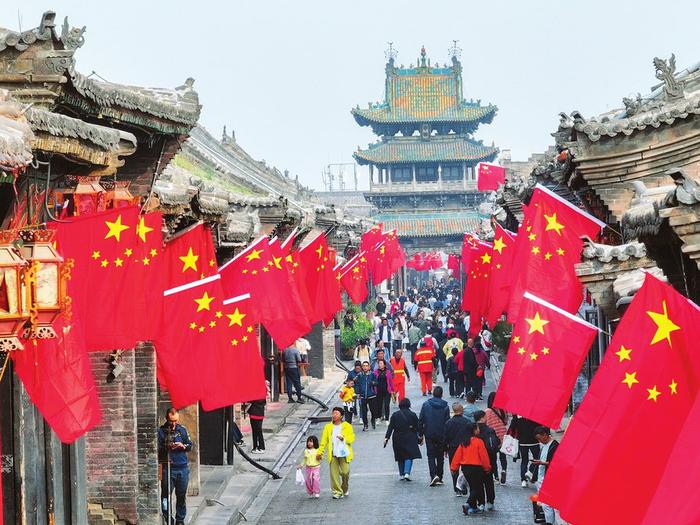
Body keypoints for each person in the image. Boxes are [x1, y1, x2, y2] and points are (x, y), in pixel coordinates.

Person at [158, 408, 193, 525]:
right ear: (166, 419)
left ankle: (180, 519)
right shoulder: (160, 432)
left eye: (175, 421)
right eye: (171, 421)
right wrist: (167, 447)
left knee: (181, 496)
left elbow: (190, 445)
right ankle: (168, 518)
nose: (173, 424)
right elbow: (156, 449)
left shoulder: (182, 430)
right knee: (165, 496)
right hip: (168, 467)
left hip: (182, 468)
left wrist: (183, 446)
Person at [450, 423, 491, 516]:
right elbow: (484, 456)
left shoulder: (464, 442)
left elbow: (457, 456)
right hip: (477, 468)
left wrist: (454, 468)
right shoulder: (479, 441)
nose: (479, 430)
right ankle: (468, 504)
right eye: (477, 428)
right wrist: (487, 467)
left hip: (466, 468)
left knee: (472, 487)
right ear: (474, 430)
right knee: (476, 487)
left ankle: (474, 507)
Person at [317, 407, 355, 499]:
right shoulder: (328, 427)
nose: (334, 415)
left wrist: (344, 438)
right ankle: (337, 492)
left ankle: (344, 487)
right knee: (334, 474)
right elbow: (323, 441)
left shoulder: (347, 426)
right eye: (333, 413)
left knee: (345, 472)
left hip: (343, 454)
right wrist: (320, 452)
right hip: (333, 453)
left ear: (341, 416)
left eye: (336, 413)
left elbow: (352, 438)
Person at [418, 386, 450, 486]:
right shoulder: (445, 406)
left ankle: (433, 475)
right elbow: (447, 422)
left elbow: (421, 420)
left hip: (429, 433)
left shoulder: (426, 405)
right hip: (441, 434)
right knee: (440, 456)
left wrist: (420, 434)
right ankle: (440, 476)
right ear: (441, 394)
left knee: (431, 455)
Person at [384, 397, 422, 481]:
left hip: (397, 437)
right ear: (409, 405)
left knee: (400, 456)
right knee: (409, 455)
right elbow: (418, 427)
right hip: (410, 436)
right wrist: (420, 436)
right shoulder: (412, 414)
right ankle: (407, 473)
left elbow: (390, 427)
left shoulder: (395, 415)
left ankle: (401, 474)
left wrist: (387, 437)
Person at [531, 426, 560, 525]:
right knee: (545, 505)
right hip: (541, 479)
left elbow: (557, 463)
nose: (539, 441)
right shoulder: (544, 446)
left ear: (545, 435)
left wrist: (542, 463)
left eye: (540, 438)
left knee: (554, 505)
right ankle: (549, 523)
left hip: (550, 480)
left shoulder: (555, 445)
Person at [474, 410, 500, 511]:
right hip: (489, 459)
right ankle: (490, 501)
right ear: (482, 418)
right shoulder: (490, 430)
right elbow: (495, 443)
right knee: (489, 481)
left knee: (478, 482)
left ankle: (480, 502)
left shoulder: (472, 430)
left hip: (476, 460)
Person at [444, 402, 471, 495]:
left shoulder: (448, 423)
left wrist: (445, 449)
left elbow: (445, 437)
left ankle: (456, 488)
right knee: (465, 468)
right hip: (465, 447)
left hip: (453, 448)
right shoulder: (467, 422)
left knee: (454, 468)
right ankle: (463, 485)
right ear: (462, 410)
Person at [485, 392, 509, 484]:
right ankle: (503, 469)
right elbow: (506, 421)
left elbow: (486, 424)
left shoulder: (487, 411)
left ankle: (496, 476)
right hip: (502, 435)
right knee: (503, 456)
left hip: (492, 437)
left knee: (493, 458)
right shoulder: (503, 410)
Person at [512, 415, 540, 487]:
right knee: (537, 458)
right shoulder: (535, 414)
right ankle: (530, 471)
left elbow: (513, 426)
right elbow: (539, 425)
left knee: (524, 461)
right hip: (534, 440)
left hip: (522, 441)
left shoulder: (517, 415)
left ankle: (523, 480)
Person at [354, 361, 378, 430]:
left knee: (373, 410)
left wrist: (373, 383)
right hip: (363, 396)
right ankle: (365, 425)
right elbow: (357, 385)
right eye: (363, 366)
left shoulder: (372, 374)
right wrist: (357, 393)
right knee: (364, 411)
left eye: (366, 366)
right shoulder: (360, 375)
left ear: (369, 367)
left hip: (372, 395)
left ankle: (373, 420)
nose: (365, 367)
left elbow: (377, 382)